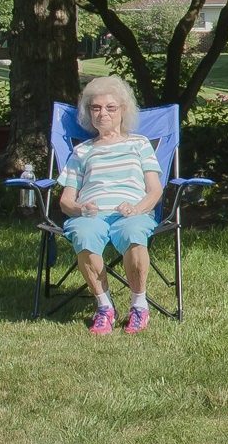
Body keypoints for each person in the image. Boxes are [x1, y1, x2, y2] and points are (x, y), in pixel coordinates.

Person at [55, 76, 164, 336]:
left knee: (134, 234)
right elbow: (65, 200)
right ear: (88, 113)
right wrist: (80, 209)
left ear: (123, 111)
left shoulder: (139, 144)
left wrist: (138, 208)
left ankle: (139, 305)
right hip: (91, 214)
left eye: (110, 107)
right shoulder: (82, 152)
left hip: (132, 212)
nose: (102, 113)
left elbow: (155, 190)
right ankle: (104, 306)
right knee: (83, 234)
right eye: (96, 108)